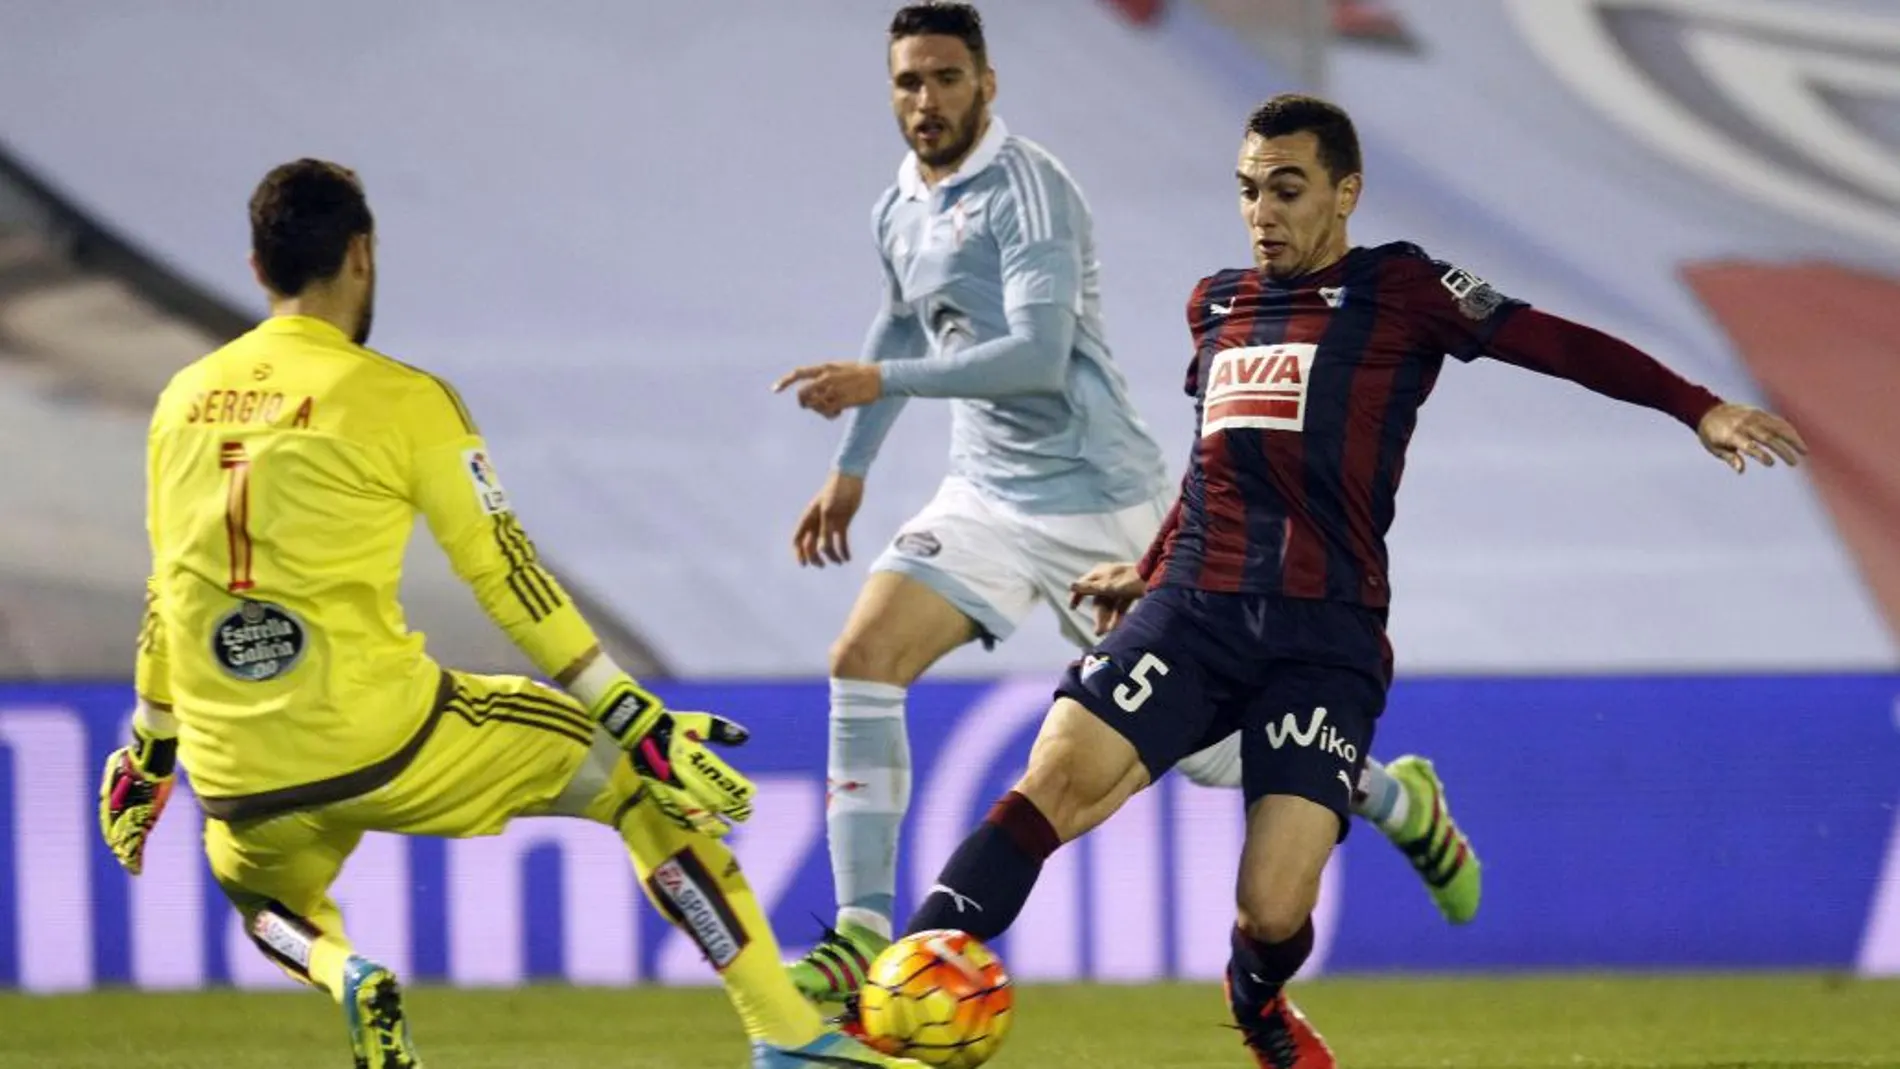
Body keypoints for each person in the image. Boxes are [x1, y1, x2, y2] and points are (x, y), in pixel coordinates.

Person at [882, 94, 1808, 1067]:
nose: (1262, 212)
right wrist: (1146, 570)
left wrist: (1695, 407)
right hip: (1192, 610)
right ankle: (896, 998)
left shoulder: (1401, 289)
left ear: (1344, 192)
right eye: (1248, 190)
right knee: (1052, 785)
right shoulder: (1218, 302)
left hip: (1324, 641)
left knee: (1272, 906)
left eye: (1286, 189)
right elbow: (1215, 466)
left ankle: (1257, 1001)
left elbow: (1558, 343)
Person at [95, 159, 925, 1069]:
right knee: (638, 781)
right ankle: (791, 1037)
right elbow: (506, 574)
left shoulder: (180, 400)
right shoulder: (401, 397)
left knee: (265, 903)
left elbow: (170, 588)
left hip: (238, 772)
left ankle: (346, 973)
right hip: (384, 735)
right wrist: (627, 708)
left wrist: (150, 746)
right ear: (362, 255)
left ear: (258, 267)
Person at [770, 2, 1481, 1002]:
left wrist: (879, 387)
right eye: (907, 82)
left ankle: (1392, 795)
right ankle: (859, 938)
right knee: (862, 658)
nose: (924, 100)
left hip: (1102, 499)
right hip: (983, 493)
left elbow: (1035, 355)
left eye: (943, 78)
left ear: (986, 83)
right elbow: (899, 321)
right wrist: (852, 466)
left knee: (1212, 753)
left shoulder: (1031, 192)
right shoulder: (900, 202)